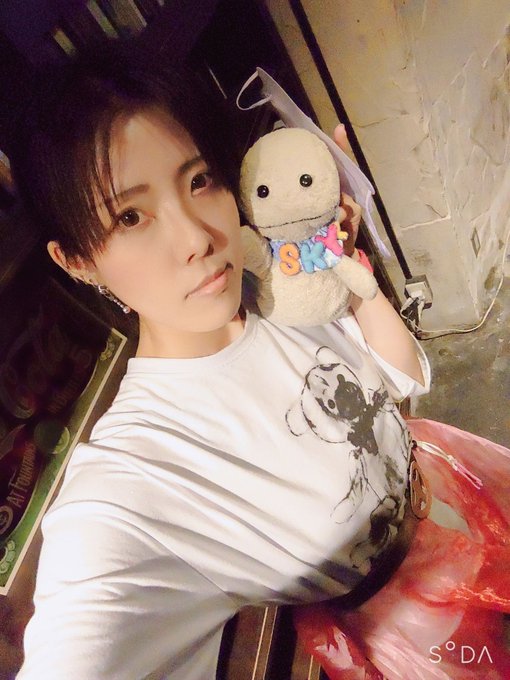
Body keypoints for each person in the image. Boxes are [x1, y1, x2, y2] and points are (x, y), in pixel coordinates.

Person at [4, 43, 510, 680]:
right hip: (429, 633)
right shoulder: (133, 479)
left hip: (464, 497)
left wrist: (347, 275)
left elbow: (399, 382)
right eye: (131, 216)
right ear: (77, 261)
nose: (198, 238)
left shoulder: (277, 290)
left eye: (199, 181)